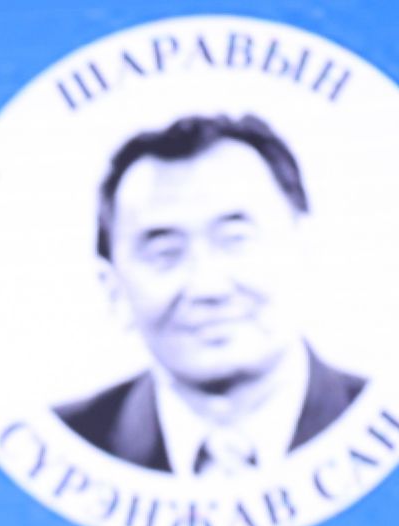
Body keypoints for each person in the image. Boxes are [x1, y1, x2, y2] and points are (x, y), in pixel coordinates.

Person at [54, 112, 367, 476]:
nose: (207, 286)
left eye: (236, 240)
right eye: (165, 253)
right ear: (114, 289)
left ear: (305, 249)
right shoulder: (61, 452)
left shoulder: (388, 423)